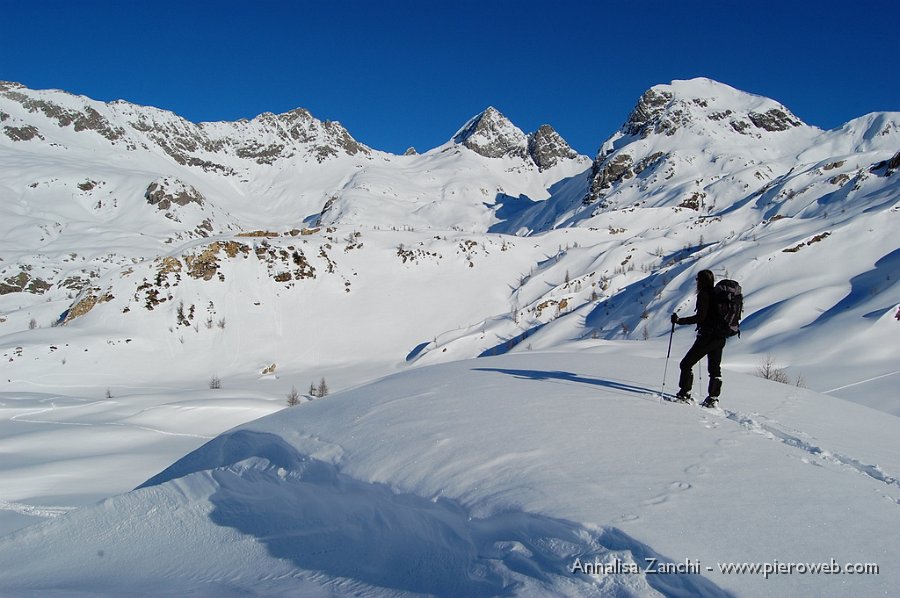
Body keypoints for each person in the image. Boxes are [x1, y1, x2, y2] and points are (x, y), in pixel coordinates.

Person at [671, 269, 725, 408]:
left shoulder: (704, 294)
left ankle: (684, 394)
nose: (696, 282)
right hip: (720, 337)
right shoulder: (718, 294)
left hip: (707, 336)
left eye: (697, 280)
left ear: (701, 281)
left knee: (686, 364)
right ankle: (713, 398)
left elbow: (700, 317)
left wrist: (679, 321)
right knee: (715, 369)